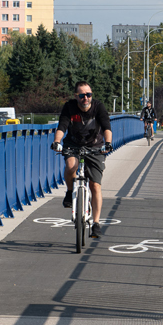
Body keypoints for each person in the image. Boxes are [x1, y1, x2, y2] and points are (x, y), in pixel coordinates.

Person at [51, 81, 113, 239]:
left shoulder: (98, 107)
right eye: (82, 95)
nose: (86, 98)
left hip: (96, 146)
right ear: (76, 96)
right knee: (71, 166)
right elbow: (62, 126)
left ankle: (96, 223)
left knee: (95, 185)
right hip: (73, 144)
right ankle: (70, 192)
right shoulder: (69, 107)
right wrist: (57, 142)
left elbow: (106, 126)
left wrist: (108, 144)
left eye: (88, 94)